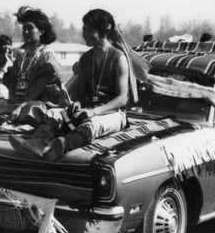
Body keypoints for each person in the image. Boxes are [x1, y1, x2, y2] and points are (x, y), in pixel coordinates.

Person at [9, 8, 131, 162]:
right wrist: (74, 104)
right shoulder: (86, 59)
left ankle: (62, 147)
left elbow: (121, 99)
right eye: (83, 28)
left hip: (113, 114)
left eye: (89, 29)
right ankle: (36, 145)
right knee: (56, 115)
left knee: (93, 123)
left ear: (105, 30)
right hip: (88, 110)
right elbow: (80, 97)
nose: (84, 33)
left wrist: (95, 111)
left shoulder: (118, 58)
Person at [0, 6, 64, 125]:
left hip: (36, 104)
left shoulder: (47, 55)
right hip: (16, 104)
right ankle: (6, 117)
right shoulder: (21, 56)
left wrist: (20, 107)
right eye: (24, 29)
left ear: (41, 31)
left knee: (31, 111)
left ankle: (6, 118)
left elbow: (38, 90)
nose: (26, 32)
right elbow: (13, 86)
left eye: (30, 28)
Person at [0, 34, 14, 99]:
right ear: (0, 46)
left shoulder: (9, 58)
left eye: (8, 44)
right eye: (4, 44)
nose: (6, 46)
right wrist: (5, 78)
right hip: (0, 88)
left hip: (9, 88)